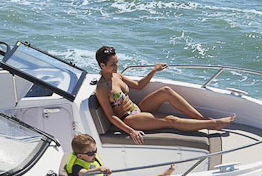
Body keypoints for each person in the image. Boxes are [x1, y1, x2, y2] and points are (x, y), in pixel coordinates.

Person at [94, 45, 235, 144]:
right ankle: (213, 124)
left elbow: (139, 85)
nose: (117, 66)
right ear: (102, 66)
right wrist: (131, 131)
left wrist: (153, 70)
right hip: (129, 119)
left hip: (137, 109)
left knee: (165, 91)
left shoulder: (117, 75)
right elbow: (111, 116)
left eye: (117, 62)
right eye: (113, 64)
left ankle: (200, 119)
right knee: (170, 120)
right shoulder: (101, 89)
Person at [65, 134, 176, 176]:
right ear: (79, 155)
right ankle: (161, 175)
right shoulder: (77, 166)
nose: (94, 155)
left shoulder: (90, 158)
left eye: (95, 151)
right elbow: (87, 174)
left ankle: (161, 175)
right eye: (90, 153)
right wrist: (99, 169)